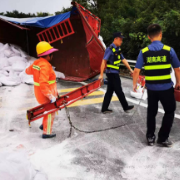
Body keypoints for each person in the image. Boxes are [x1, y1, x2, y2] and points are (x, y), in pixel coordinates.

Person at [133, 24, 180, 147]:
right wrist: (179, 83)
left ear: (149, 37)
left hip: (152, 89)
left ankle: (150, 137)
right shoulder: (169, 50)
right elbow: (177, 69)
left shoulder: (143, 52)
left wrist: (135, 85)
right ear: (161, 34)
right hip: (166, 88)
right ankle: (163, 138)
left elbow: (136, 71)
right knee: (169, 111)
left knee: (151, 112)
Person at [26, 41, 59, 139]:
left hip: (39, 93)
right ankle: (46, 132)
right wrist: (51, 96)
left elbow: (28, 71)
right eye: (51, 54)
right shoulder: (45, 66)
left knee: (46, 109)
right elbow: (43, 83)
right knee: (50, 111)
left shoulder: (37, 62)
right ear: (48, 55)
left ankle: (43, 125)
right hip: (45, 94)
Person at [99, 32, 134, 114]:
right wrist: (101, 74)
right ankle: (125, 106)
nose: (121, 41)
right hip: (111, 73)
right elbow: (103, 61)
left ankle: (104, 108)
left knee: (110, 91)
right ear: (115, 39)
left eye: (122, 39)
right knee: (119, 90)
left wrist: (130, 69)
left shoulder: (118, 49)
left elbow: (123, 60)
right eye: (120, 39)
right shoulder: (110, 49)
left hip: (114, 73)